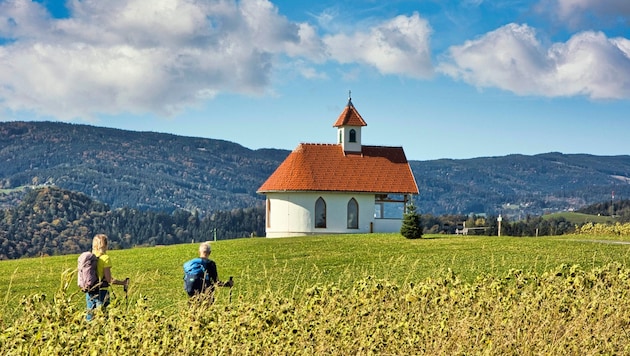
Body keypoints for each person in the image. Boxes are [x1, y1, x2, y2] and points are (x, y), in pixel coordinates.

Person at [86, 233, 128, 320]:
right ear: (105, 245)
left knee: (90, 318)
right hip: (102, 292)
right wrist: (123, 282)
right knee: (103, 318)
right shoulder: (105, 258)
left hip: (90, 291)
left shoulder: (90, 258)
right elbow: (109, 280)